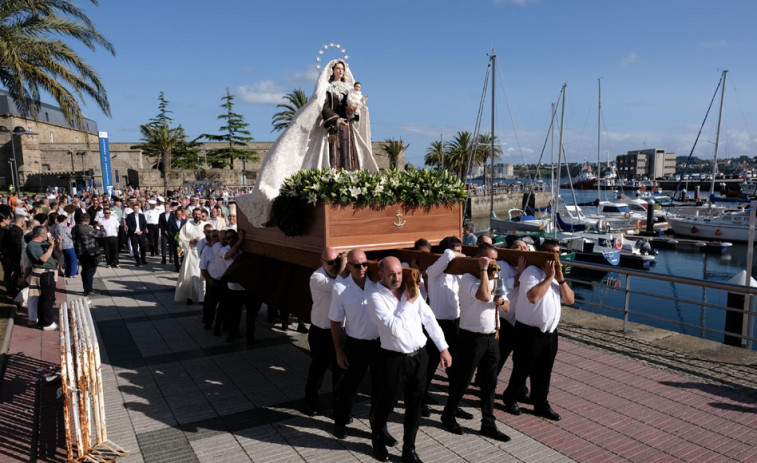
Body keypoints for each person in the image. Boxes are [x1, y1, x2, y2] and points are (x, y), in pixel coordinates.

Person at [242, 58, 377, 228]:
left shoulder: (349, 89)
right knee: (330, 158)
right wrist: (335, 120)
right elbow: (325, 106)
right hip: (331, 128)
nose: (341, 71)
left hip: (347, 128)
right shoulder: (328, 88)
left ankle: (351, 187)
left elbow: (351, 109)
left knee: (350, 157)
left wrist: (354, 110)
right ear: (332, 71)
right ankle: (332, 188)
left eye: (343, 69)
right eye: (338, 68)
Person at [367, 257, 452, 463]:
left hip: (419, 357)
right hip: (393, 359)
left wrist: (443, 347)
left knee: (415, 405)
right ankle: (377, 439)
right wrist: (409, 301)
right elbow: (394, 329)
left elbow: (429, 319)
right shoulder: (375, 297)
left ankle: (409, 449)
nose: (396, 278)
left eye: (398, 273)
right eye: (391, 274)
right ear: (381, 275)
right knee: (386, 404)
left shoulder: (410, 289)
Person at [440, 243, 511, 442]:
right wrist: (482, 269)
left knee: (490, 382)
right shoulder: (467, 279)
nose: (494, 265)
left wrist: (502, 302)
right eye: (490, 260)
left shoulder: (497, 278)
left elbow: (507, 307)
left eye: (495, 260)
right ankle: (448, 414)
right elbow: (484, 295)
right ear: (480, 259)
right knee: (462, 380)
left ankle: (488, 423)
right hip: (470, 337)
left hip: (492, 337)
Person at [502, 239, 574, 421]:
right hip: (528, 331)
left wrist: (561, 279)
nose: (554, 256)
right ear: (542, 253)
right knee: (522, 368)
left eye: (558, 253)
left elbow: (570, 300)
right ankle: (510, 397)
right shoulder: (531, 272)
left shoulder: (558, 276)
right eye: (550, 252)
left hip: (550, 333)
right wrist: (549, 277)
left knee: (544, 370)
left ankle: (540, 403)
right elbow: (533, 297)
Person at [328, 249, 384, 441]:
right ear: (348, 266)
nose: (362, 269)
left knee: (381, 387)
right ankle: (340, 422)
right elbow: (335, 321)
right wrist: (338, 351)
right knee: (348, 387)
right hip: (356, 345)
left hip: (380, 345)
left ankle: (379, 428)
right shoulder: (340, 289)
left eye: (365, 264)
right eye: (357, 265)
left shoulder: (378, 284)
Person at [422, 236, 467, 418]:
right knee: (429, 365)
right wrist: (457, 254)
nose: (460, 254)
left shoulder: (458, 274)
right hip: (437, 323)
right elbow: (448, 253)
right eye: (458, 250)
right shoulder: (433, 272)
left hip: (455, 323)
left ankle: (453, 404)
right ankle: (420, 400)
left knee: (455, 367)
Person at [304, 246, 347, 417]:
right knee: (318, 369)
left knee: (340, 371)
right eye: (331, 262)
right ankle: (310, 401)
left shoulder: (341, 275)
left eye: (337, 260)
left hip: (341, 330)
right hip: (321, 332)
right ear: (322, 262)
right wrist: (344, 264)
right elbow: (338, 286)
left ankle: (339, 407)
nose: (335, 264)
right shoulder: (317, 277)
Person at [26, 225, 61, 329]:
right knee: (46, 298)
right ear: (42, 234)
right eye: (46, 233)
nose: (48, 235)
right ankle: (47, 323)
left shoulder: (42, 243)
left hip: (47, 273)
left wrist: (57, 243)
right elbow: (43, 259)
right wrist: (50, 246)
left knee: (45, 297)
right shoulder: (33, 245)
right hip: (42, 273)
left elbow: (58, 251)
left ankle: (42, 320)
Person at [174, 208, 209, 304]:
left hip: (203, 254)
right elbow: (180, 239)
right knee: (190, 276)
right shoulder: (187, 225)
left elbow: (212, 237)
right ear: (192, 215)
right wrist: (191, 241)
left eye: (199, 214)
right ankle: (190, 297)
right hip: (192, 253)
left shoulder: (206, 225)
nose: (197, 216)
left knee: (201, 277)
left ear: (201, 215)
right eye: (195, 214)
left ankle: (202, 297)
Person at [72, 213, 106, 296]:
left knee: (85, 271)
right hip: (89, 253)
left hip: (80, 252)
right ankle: (89, 290)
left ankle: (86, 289)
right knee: (90, 271)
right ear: (88, 220)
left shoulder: (75, 227)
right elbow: (102, 234)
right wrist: (101, 226)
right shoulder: (86, 229)